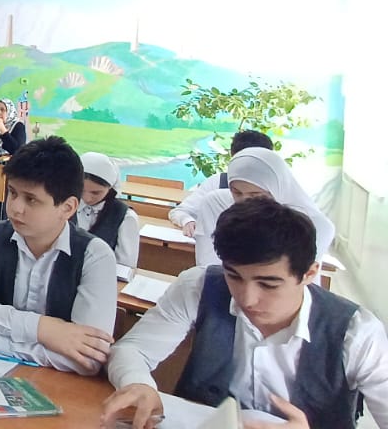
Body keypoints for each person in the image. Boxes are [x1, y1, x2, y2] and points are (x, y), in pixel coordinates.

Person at [101, 199, 388, 429]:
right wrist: (137, 383)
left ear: (310, 274)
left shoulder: (356, 332)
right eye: (234, 276)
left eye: (268, 284)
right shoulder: (200, 285)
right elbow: (132, 350)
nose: (247, 298)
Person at [0, 136, 117, 375]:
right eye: (12, 192)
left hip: (59, 385)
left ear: (67, 208)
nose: (15, 207)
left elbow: (88, 359)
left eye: (31, 199)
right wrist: (42, 329)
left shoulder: (95, 256)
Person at [183, 147, 336, 267]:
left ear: (277, 189)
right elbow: (207, 265)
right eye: (236, 192)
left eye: (256, 195)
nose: (245, 201)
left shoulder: (316, 225)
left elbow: (291, 278)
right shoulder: (216, 203)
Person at [169, 129, 273, 237]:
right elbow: (180, 211)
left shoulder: (277, 189)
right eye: (237, 192)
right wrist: (187, 221)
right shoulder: (218, 182)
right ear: (233, 157)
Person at [76, 151, 139, 271]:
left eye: (96, 192)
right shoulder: (67, 206)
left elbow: (125, 268)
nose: (87, 198)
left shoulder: (125, 218)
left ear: (110, 187)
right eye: (81, 189)